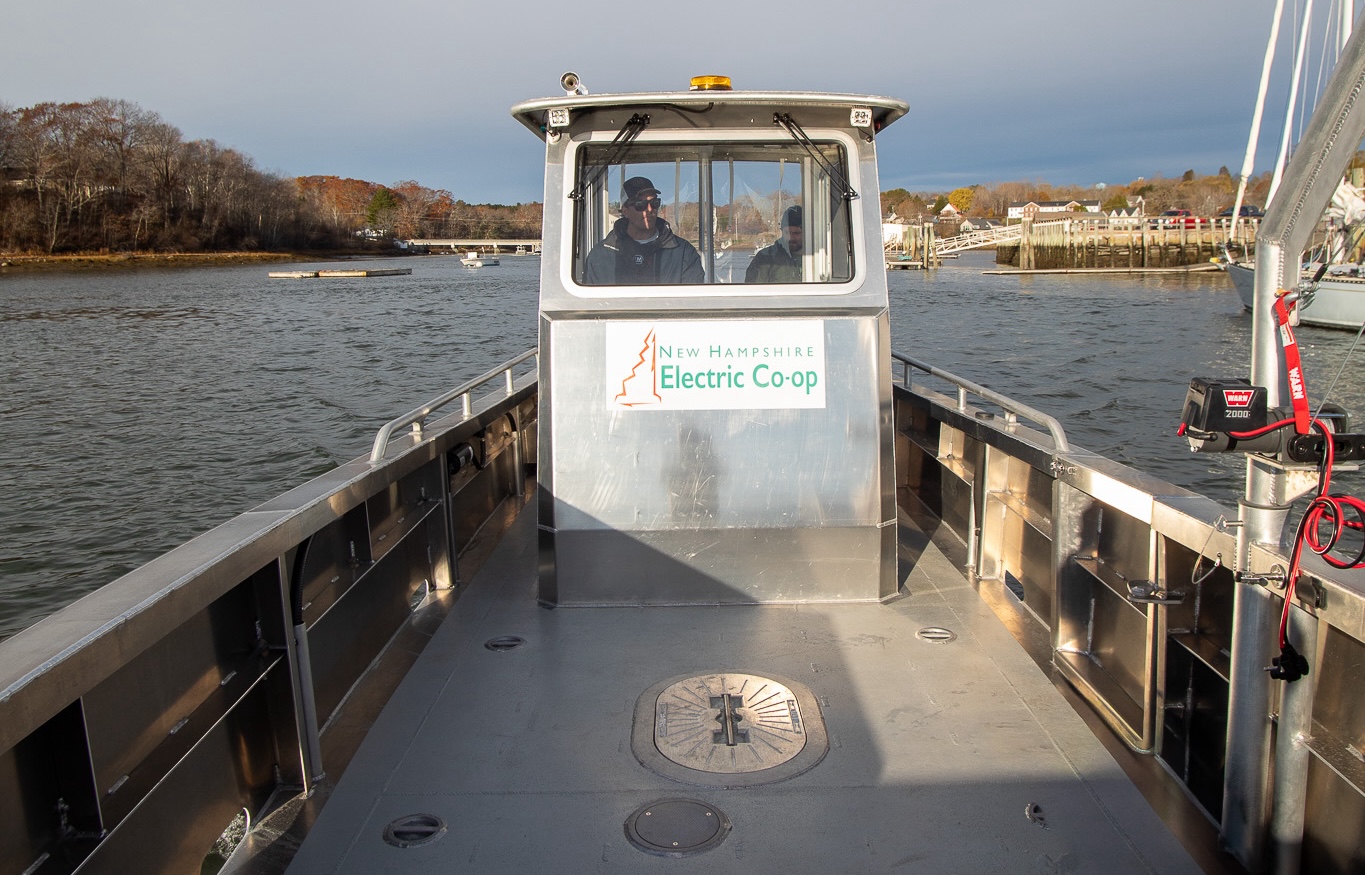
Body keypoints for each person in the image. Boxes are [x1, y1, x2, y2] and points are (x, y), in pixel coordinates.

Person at [583, 177, 704, 284]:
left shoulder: (683, 253)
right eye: (640, 204)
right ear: (625, 211)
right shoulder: (600, 256)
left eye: (655, 203)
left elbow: (694, 303)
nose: (650, 209)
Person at [745, 205, 803, 284]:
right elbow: (752, 291)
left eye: (796, 233)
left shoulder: (818, 257)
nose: (791, 237)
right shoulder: (765, 258)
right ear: (781, 231)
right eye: (787, 233)